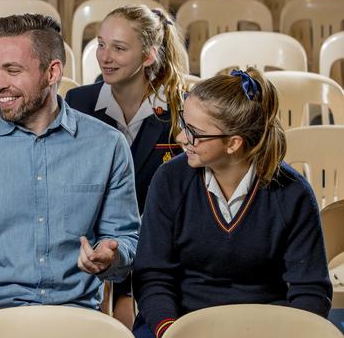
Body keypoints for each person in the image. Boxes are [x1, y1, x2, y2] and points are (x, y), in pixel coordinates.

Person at [0, 13, 141, 333]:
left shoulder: (107, 145)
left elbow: (124, 239)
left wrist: (112, 257)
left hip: (74, 317)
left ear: (52, 72)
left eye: (12, 70)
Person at [132, 68, 333, 338]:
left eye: (194, 132)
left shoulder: (292, 193)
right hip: (180, 325)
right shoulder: (170, 179)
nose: (180, 138)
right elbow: (153, 276)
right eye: (183, 122)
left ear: (233, 143)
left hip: (265, 330)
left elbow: (310, 291)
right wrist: (171, 330)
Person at [66, 4, 188, 328]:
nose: (105, 57)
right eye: (101, 44)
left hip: (164, 244)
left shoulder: (182, 109)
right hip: (95, 240)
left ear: (148, 56)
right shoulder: (78, 103)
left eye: (119, 48)